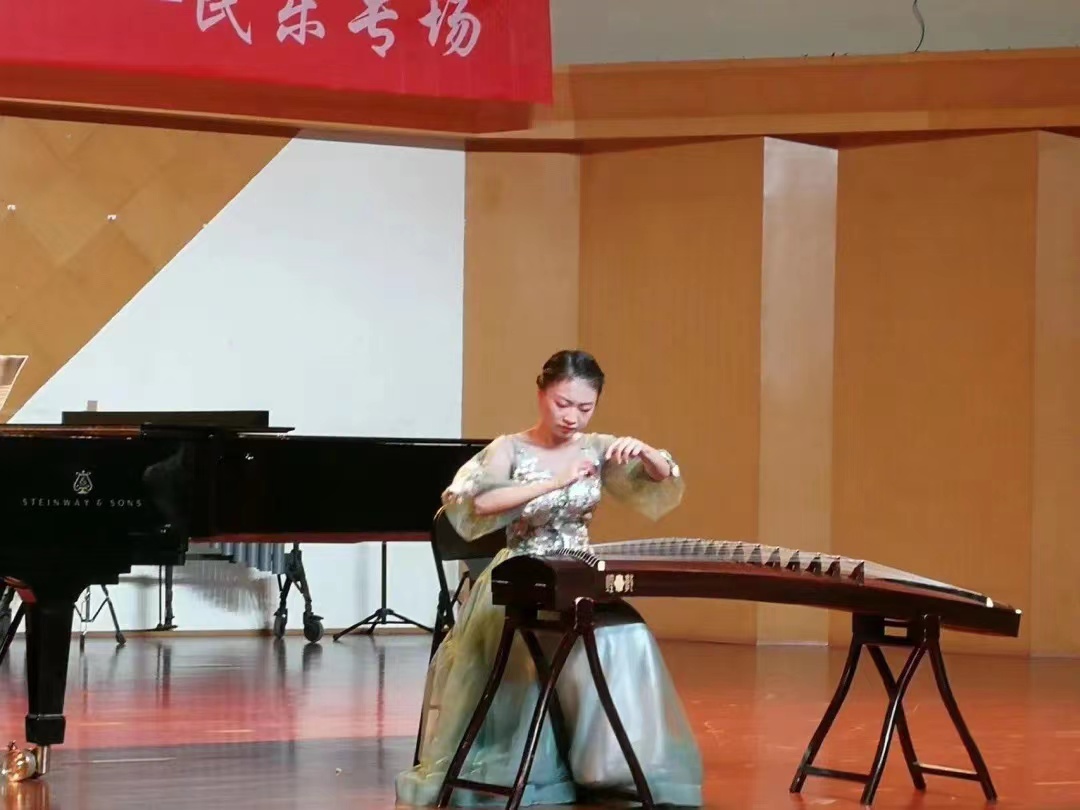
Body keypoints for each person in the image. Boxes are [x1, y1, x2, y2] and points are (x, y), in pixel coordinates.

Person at [395, 349, 703, 807]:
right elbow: (479, 503)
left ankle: (609, 764)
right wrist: (555, 481)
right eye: (563, 403)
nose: (573, 417)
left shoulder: (595, 447)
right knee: (545, 647)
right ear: (541, 393)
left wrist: (645, 451)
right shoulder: (510, 448)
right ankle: (541, 764)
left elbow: (661, 478)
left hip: (578, 572)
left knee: (628, 635)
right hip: (521, 575)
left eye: (585, 407)